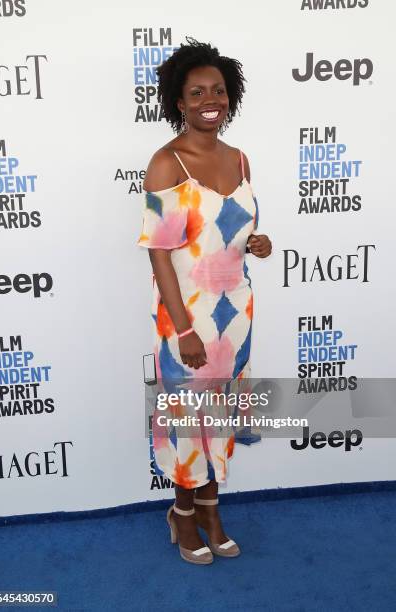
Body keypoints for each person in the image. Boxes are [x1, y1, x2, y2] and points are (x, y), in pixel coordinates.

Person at [137, 37, 272, 565]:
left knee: (218, 415)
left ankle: (213, 508)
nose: (209, 100)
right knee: (187, 417)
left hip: (237, 312)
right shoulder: (166, 163)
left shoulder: (240, 158)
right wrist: (184, 328)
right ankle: (184, 514)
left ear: (229, 97)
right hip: (186, 314)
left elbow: (232, 232)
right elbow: (161, 256)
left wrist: (259, 242)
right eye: (197, 92)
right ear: (180, 101)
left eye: (218, 90)